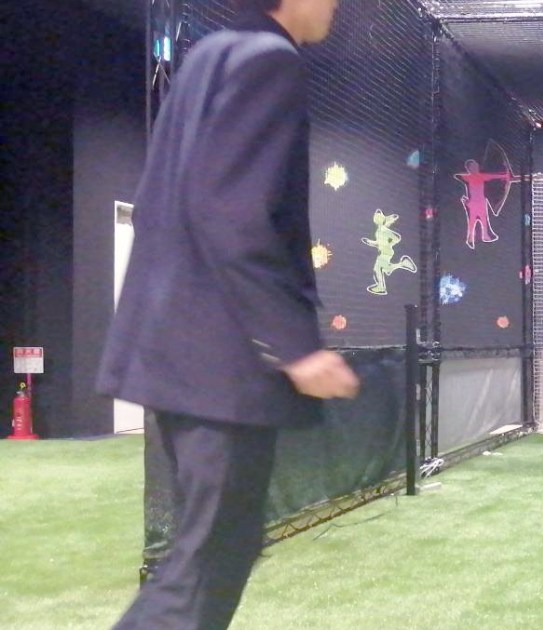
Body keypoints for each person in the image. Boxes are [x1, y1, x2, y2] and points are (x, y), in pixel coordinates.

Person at [96, 1, 358, 628]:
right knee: (206, 565)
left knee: (211, 554)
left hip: (175, 351)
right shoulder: (270, 60)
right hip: (222, 362)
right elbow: (233, 212)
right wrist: (295, 345)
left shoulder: (211, 55)